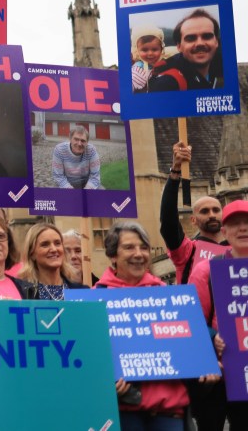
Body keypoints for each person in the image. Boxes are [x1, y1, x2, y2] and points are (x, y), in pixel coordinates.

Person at [95, 221, 218, 431]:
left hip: (169, 413)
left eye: (144, 247)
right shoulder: (94, 299)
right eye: (129, 247)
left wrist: (209, 355)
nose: (138, 254)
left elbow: (189, 339)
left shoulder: (169, 295)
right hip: (123, 413)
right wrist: (104, 385)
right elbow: (89, 362)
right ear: (113, 255)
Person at [186, 200, 248, 429]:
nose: (243, 229)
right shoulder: (206, 270)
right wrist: (213, 337)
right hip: (217, 374)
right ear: (224, 232)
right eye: (235, 224)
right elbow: (191, 321)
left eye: (247, 223)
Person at [159, 141, 228, 285]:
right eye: (204, 211)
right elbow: (168, 222)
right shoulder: (188, 251)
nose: (212, 215)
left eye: (216, 210)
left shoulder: (236, 251)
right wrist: (175, 171)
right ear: (193, 220)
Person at [149, 8, 223, 92]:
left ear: (216, 42)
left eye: (207, 36)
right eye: (191, 38)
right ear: (179, 46)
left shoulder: (224, 67)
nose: (200, 43)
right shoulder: (167, 84)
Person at [17, 223, 85, 300]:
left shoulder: (81, 291)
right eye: (45, 245)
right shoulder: (22, 293)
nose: (54, 249)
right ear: (32, 254)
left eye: (57, 243)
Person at [130, 26, 168, 92]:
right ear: (137, 50)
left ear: (162, 49)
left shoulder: (165, 63)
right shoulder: (137, 70)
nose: (150, 53)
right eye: (144, 50)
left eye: (154, 49)